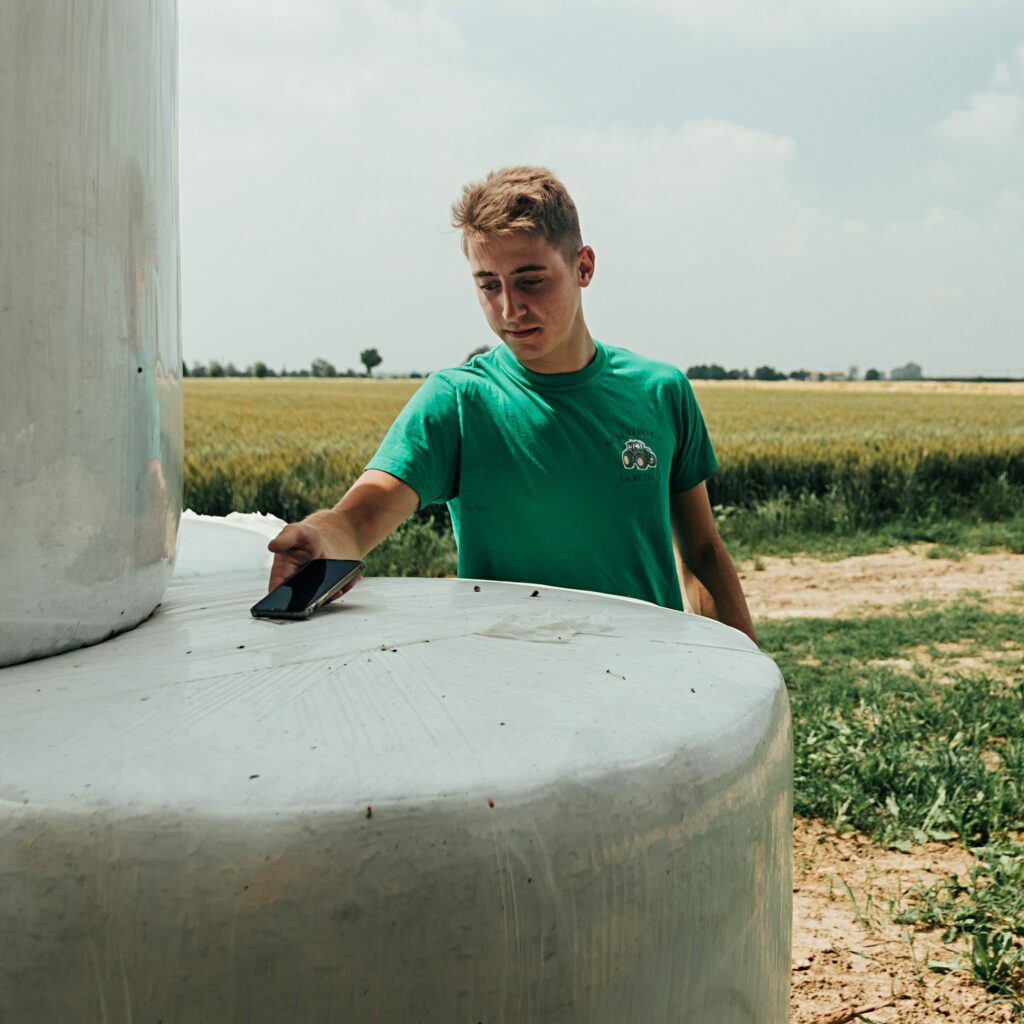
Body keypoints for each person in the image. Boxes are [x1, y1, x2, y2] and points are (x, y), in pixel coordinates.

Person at [267, 166, 756, 644]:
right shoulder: (458, 401)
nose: (509, 309)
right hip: (509, 691)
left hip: (647, 677)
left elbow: (701, 552)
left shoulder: (660, 390)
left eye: (530, 280)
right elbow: (360, 516)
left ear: (583, 266)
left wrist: (748, 669)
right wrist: (321, 537)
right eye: (488, 284)